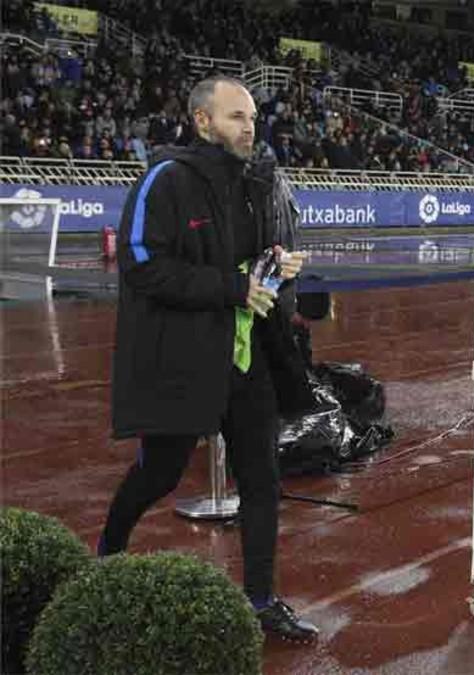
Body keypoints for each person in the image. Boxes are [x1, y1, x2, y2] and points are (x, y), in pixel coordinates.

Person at [99, 75, 318, 642]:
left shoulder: (255, 183)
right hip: (185, 360)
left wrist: (273, 266)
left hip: (246, 358)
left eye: (252, 117)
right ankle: (106, 556)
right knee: (160, 473)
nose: (250, 127)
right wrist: (233, 287)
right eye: (236, 117)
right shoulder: (167, 179)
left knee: (262, 479)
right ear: (203, 122)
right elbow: (143, 263)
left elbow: (246, 266)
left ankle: (262, 601)